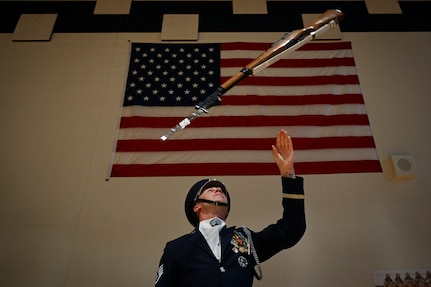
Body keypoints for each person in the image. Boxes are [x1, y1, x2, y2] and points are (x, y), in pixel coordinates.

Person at [154, 129, 306, 287]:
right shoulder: (177, 248)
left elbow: (292, 228)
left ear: (226, 212)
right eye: (210, 189)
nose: (218, 190)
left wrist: (288, 173)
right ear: (196, 206)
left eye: (221, 191)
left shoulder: (245, 240)